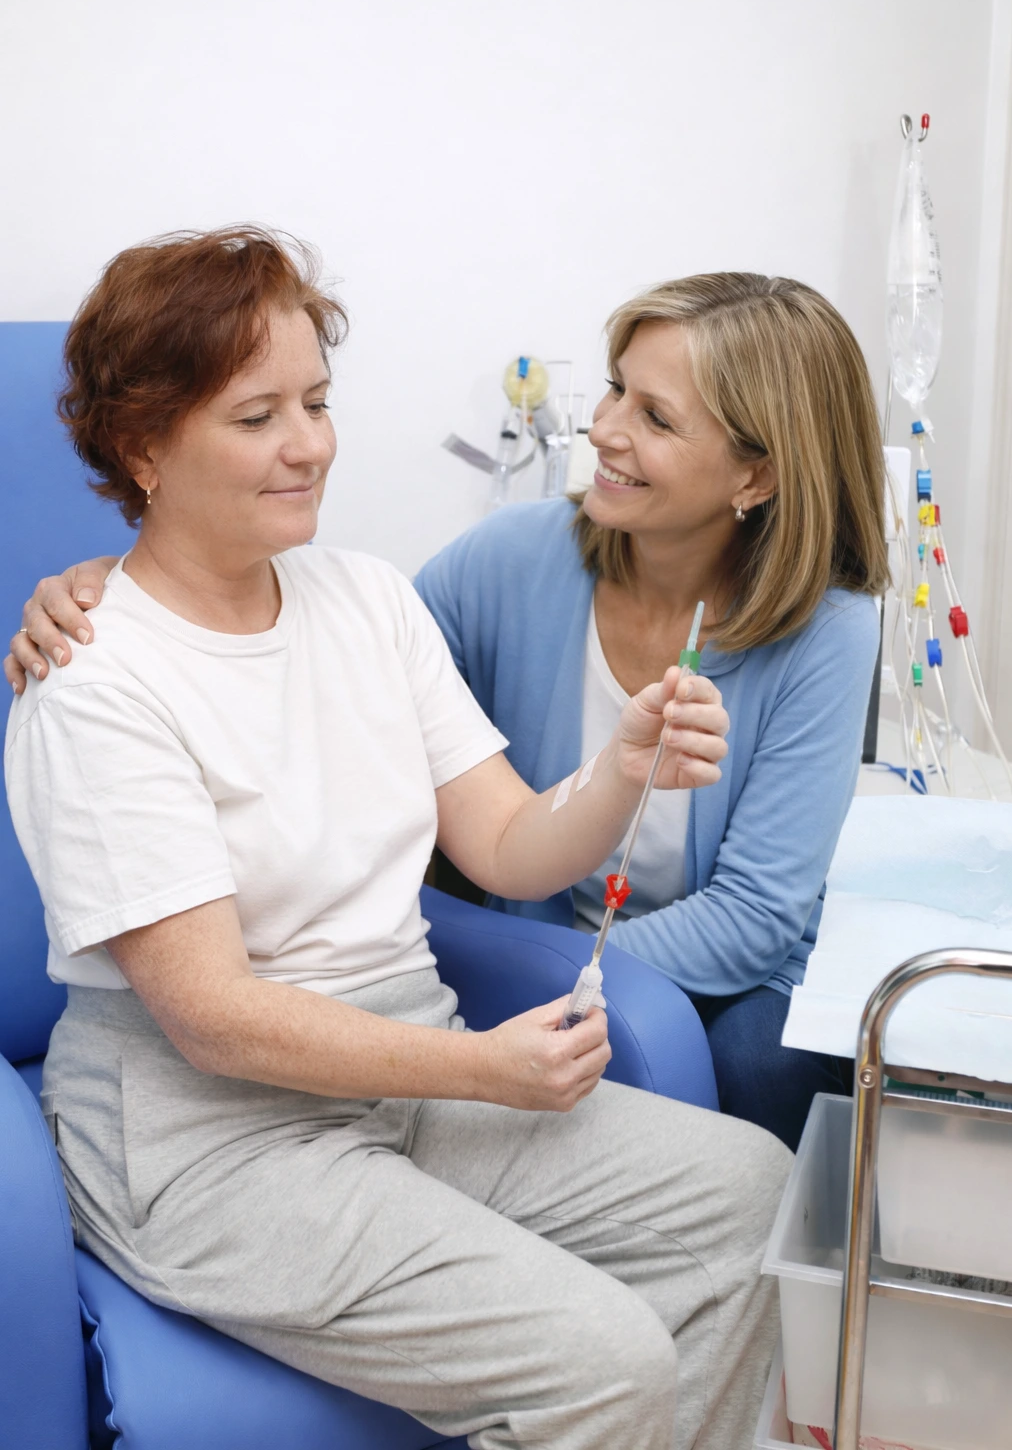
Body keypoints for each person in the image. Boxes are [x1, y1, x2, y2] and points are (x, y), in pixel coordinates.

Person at [4, 228, 790, 1450]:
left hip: (402, 1082)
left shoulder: (365, 600)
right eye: (257, 416)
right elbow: (210, 1015)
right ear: (143, 442)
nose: (309, 444)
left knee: (751, 1195)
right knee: (601, 1361)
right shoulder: (99, 683)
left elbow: (510, 846)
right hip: (209, 1144)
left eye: (316, 402)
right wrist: (485, 1073)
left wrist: (621, 765)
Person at [15, 273, 888, 1152]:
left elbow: (746, 915)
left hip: (660, 975)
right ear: (144, 450)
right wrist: (130, 591)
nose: (605, 429)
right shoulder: (506, 560)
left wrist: (553, 986)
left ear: (757, 472)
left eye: (656, 419)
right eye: (616, 388)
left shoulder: (831, 634)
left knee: (759, 1086)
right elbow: (312, 665)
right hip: (463, 1000)